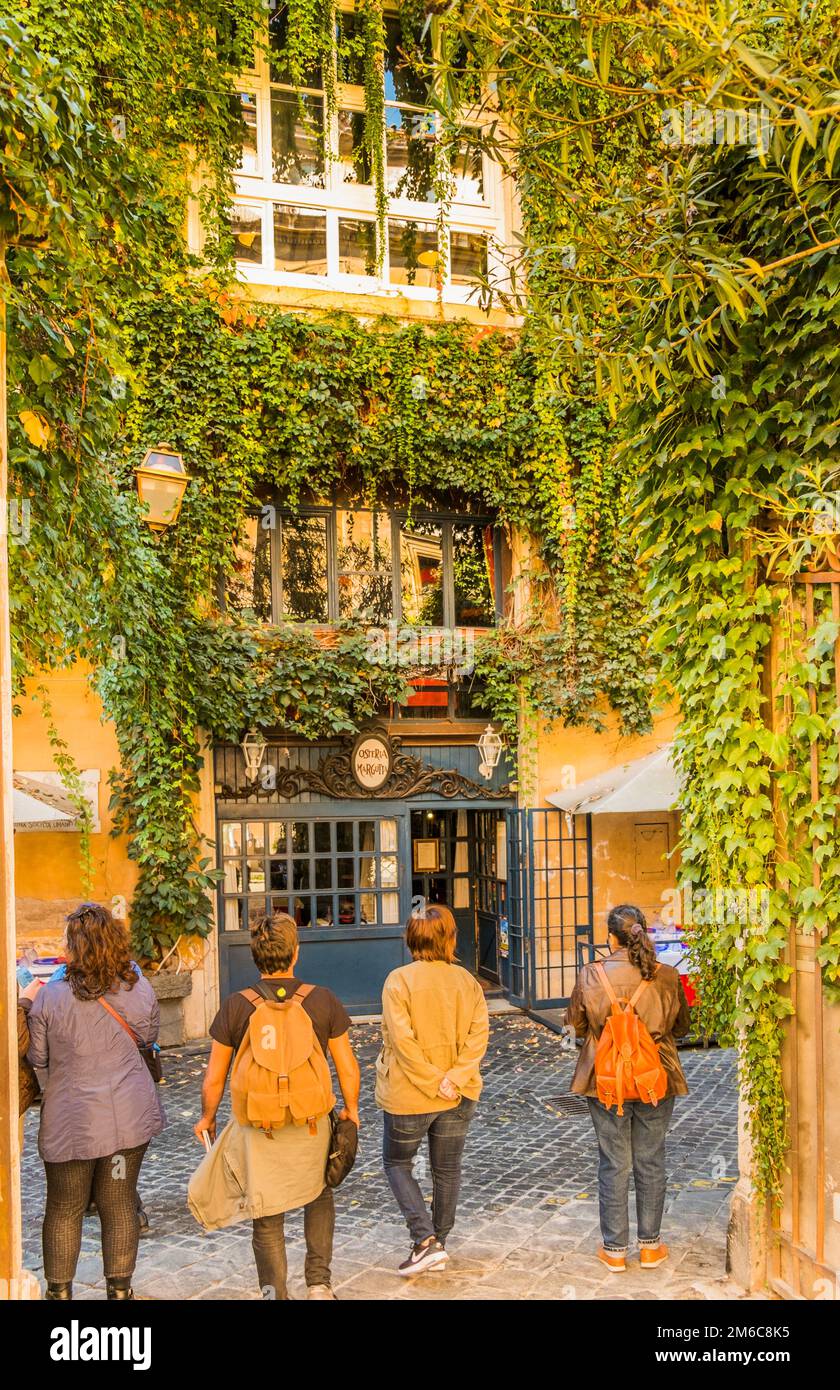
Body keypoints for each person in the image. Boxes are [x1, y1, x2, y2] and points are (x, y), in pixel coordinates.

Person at [195, 912, 360, 1301]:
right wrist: (350, 1110)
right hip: (312, 1122)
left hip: (259, 1125)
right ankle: (319, 1285)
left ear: (255, 957)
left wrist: (207, 1117)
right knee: (318, 1194)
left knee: (266, 1211)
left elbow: (215, 1076)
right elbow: (347, 1066)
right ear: (295, 953)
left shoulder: (236, 1006)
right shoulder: (323, 1001)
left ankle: (274, 1293)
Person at [23, 903, 165, 1300]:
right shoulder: (138, 987)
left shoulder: (50, 997)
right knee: (118, 1202)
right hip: (128, 1120)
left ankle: (59, 1294)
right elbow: (150, 1033)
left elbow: (38, 1058)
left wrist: (26, 1004)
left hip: (72, 1122)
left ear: (74, 947)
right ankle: (120, 1293)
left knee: (64, 1207)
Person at [565, 903, 692, 1274]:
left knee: (614, 1161)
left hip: (606, 1080)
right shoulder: (666, 975)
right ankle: (651, 1247)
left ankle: (615, 1249)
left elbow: (577, 1025)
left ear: (610, 938)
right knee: (651, 1159)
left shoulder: (591, 974)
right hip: (656, 1077)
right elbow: (681, 1027)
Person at [377, 903, 489, 1275]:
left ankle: (426, 1241)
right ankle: (437, 1242)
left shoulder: (398, 980)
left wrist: (431, 1080)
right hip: (458, 1093)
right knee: (447, 1169)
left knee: (396, 1162)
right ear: (450, 939)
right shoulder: (467, 982)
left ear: (411, 939)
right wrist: (452, 1079)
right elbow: (478, 1037)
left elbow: (402, 1040)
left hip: (410, 1093)